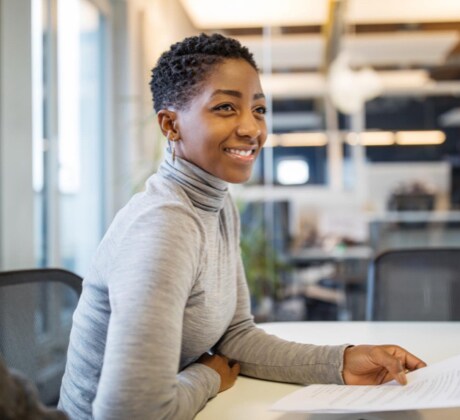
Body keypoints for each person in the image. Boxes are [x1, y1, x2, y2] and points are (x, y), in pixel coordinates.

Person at [58, 33, 426, 419]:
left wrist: (342, 361)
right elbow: (129, 413)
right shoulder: (164, 226)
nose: (252, 129)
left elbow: (235, 336)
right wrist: (207, 377)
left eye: (259, 109)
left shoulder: (219, 205)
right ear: (171, 124)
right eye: (225, 108)